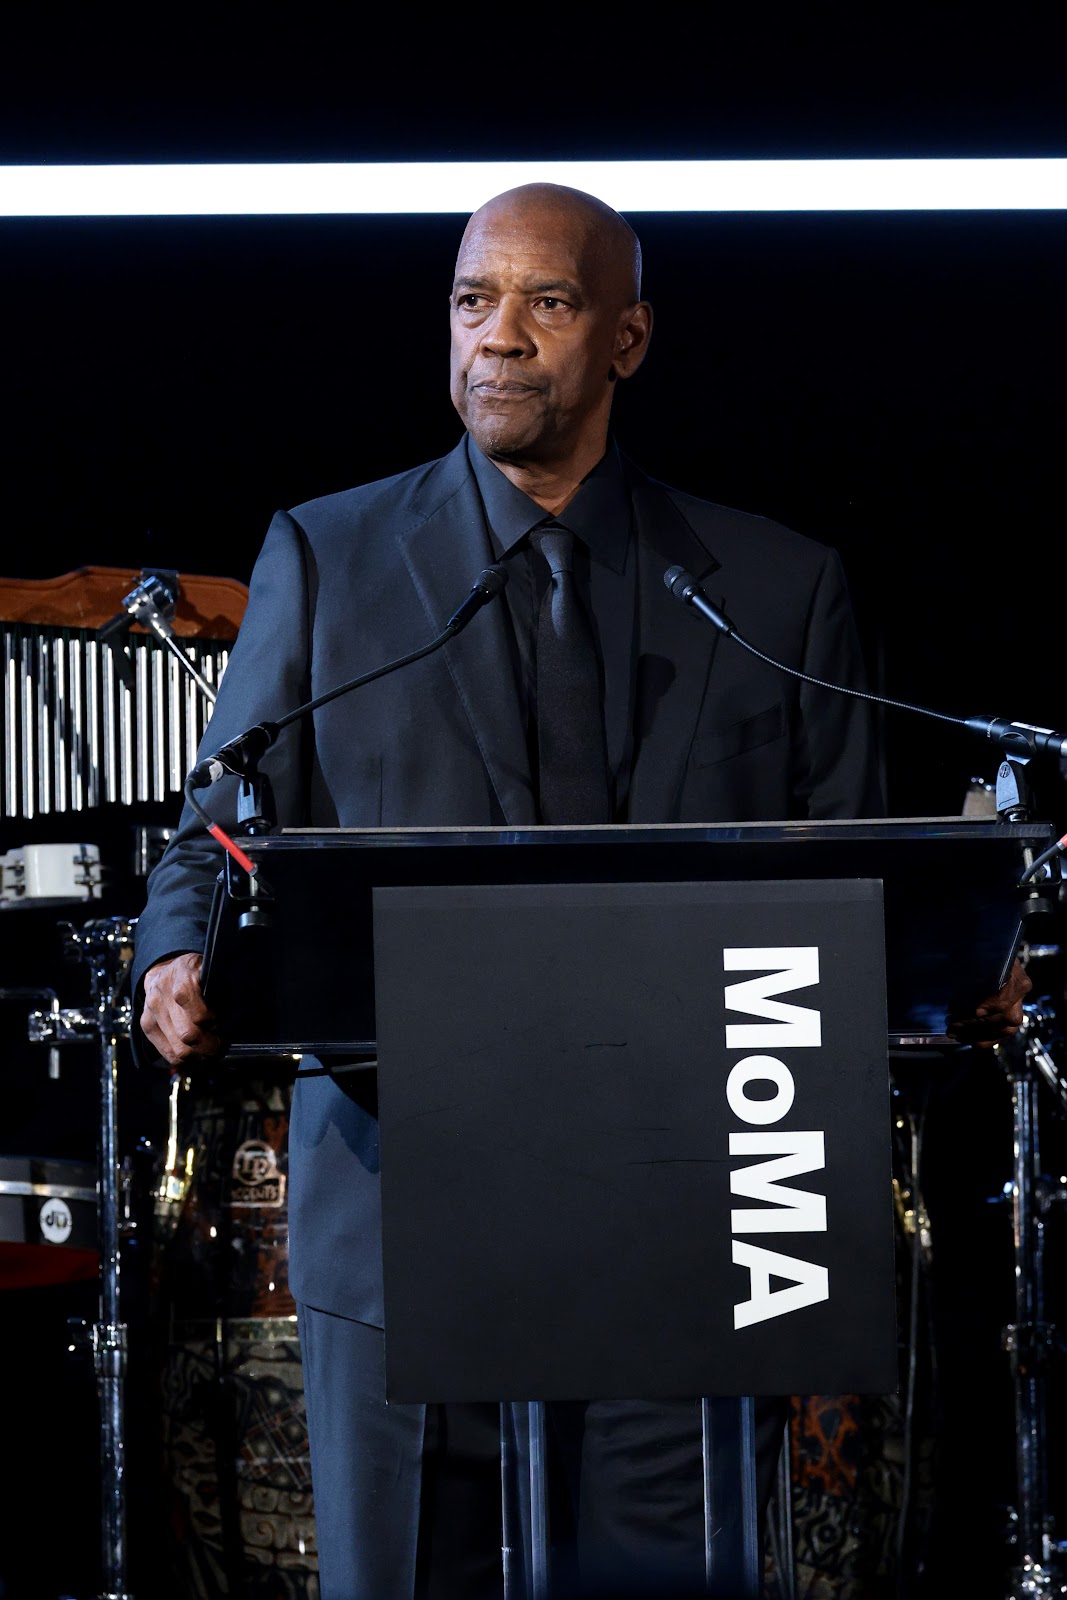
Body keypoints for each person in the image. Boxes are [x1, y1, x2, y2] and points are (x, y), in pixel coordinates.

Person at [133, 183, 1029, 1599]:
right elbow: (215, 831)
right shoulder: (328, 556)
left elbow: (855, 887)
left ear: (626, 337)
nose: (499, 338)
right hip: (403, 1211)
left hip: (699, 1232)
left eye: (547, 303)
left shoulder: (776, 594)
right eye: (470, 302)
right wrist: (170, 957)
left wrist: (949, 957)